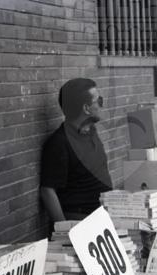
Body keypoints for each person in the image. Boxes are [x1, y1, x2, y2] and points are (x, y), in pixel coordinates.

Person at [40, 78, 113, 222]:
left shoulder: (90, 130)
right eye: (99, 101)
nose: (102, 105)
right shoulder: (59, 143)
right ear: (86, 109)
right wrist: (65, 229)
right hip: (80, 222)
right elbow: (47, 191)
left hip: (103, 217)